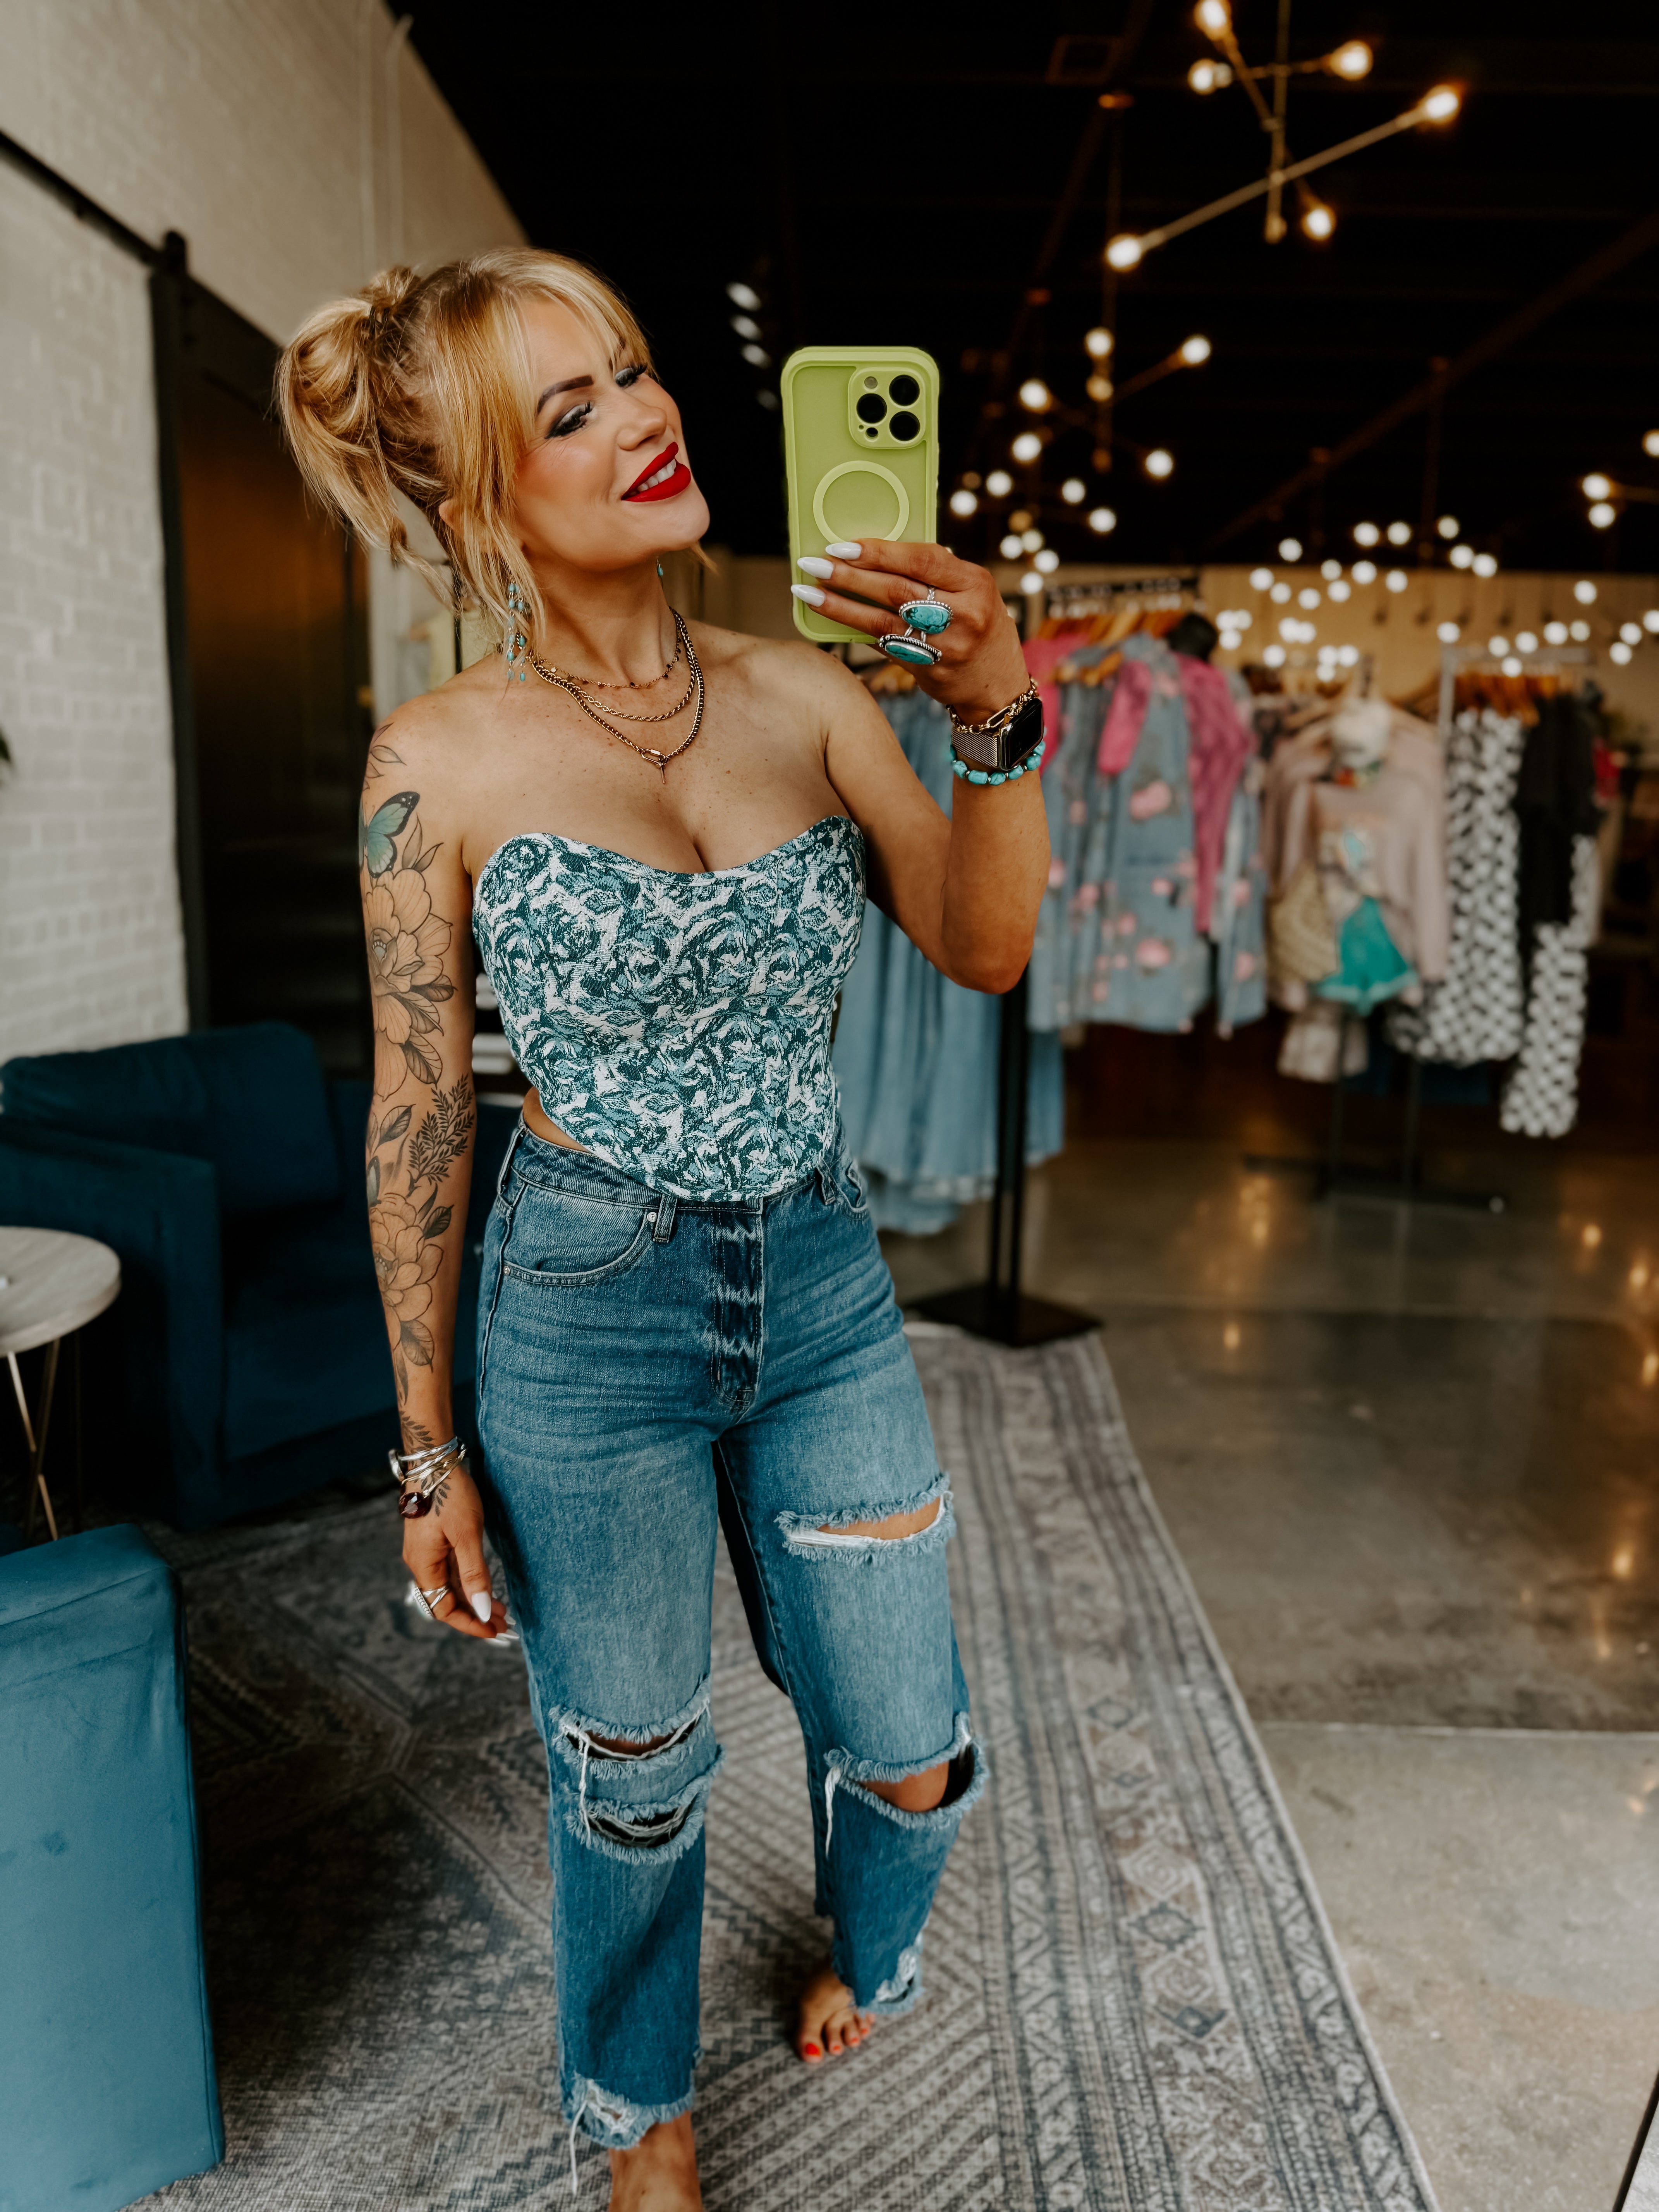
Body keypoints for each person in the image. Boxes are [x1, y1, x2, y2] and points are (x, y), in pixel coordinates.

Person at [277, 248, 1048, 2212]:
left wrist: (996, 716)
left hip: (820, 1278)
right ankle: (644, 2111)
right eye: (573, 410)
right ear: (483, 498)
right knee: (627, 1766)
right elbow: (418, 1114)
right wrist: (427, 1452)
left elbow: (982, 943)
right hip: (581, 1303)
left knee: (906, 1734)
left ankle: (870, 1933)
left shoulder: (809, 694)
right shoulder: (434, 761)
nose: (645, 416)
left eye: (631, 371)